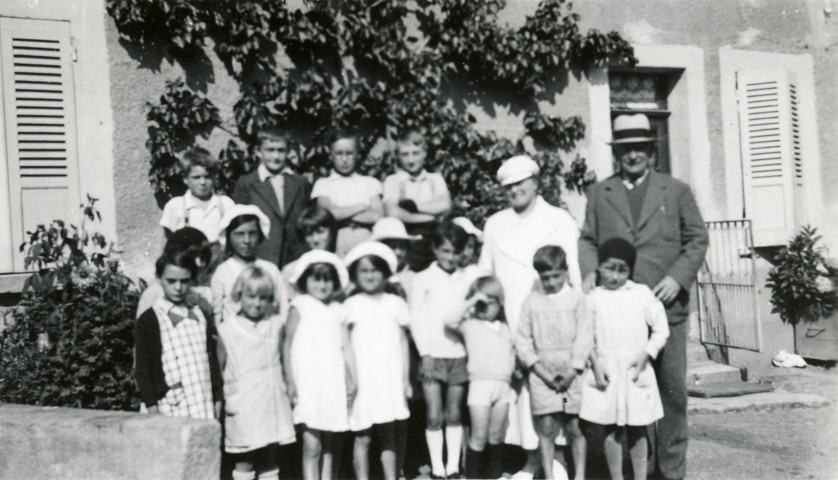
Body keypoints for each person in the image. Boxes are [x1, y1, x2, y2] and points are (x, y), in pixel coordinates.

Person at [579, 113, 708, 480]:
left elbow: (697, 238)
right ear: (616, 155)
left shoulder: (676, 191)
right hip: (616, 314)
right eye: (625, 149)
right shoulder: (600, 193)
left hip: (666, 306)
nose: (632, 155)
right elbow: (587, 240)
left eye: (639, 148)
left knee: (670, 392)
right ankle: (638, 471)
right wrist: (590, 271)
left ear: (651, 152)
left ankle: (671, 472)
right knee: (627, 394)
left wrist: (677, 278)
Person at [478, 155, 581, 478]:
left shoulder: (559, 220)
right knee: (524, 393)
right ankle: (532, 461)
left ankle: (558, 461)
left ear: (535, 182)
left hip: (554, 322)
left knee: (555, 388)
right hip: (512, 321)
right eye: (508, 186)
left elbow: (574, 274)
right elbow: (485, 276)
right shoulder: (495, 224)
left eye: (521, 183)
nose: (515, 190)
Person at [574, 237, 670, 480]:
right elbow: (584, 336)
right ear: (599, 266)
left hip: (635, 371)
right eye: (609, 269)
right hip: (606, 370)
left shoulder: (641, 294)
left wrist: (647, 353)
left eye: (622, 270)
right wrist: (595, 363)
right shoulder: (593, 297)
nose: (615, 277)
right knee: (612, 428)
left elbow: (661, 330)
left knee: (638, 428)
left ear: (630, 270)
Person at [410, 221, 480, 479]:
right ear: (435, 249)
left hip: (459, 355)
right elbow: (417, 319)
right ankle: (437, 468)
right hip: (432, 355)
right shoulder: (423, 279)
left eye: (455, 252)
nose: (450, 257)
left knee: (454, 413)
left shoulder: (468, 277)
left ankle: (452, 468)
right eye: (445, 251)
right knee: (434, 415)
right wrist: (425, 354)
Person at [217, 266, 296, 480]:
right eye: (251, 296)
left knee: (269, 457)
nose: (257, 303)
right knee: (246, 459)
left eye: (263, 298)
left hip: (271, 403)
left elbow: (282, 358)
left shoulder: (274, 325)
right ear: (239, 294)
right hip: (244, 405)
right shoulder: (227, 329)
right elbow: (220, 370)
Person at [516, 246, 586, 480]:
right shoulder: (532, 302)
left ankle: (579, 476)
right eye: (545, 277)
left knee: (574, 427)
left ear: (565, 271)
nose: (552, 282)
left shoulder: (576, 299)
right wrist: (540, 371)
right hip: (543, 376)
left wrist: (573, 369)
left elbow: (584, 336)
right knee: (546, 428)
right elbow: (523, 340)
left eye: (556, 276)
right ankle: (549, 476)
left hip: (571, 376)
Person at [343, 242, 412, 480]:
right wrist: (350, 379)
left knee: (389, 435)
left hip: (388, 379)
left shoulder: (395, 303)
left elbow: (403, 343)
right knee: (362, 437)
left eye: (375, 270)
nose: (370, 276)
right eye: (364, 271)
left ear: (385, 273)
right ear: (355, 275)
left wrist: (405, 379)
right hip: (363, 380)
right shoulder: (351, 305)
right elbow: (345, 346)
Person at [282, 250, 354, 480]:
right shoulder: (300, 305)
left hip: (332, 383)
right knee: (312, 445)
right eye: (316, 279)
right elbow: (287, 344)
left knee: (330, 443)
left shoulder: (338, 310)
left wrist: (352, 378)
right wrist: (290, 380)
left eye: (328, 279)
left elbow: (346, 347)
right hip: (308, 383)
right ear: (305, 280)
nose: (322, 285)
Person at [134, 248, 222, 420]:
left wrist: (218, 398)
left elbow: (212, 360)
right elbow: (143, 369)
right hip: (169, 406)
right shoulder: (150, 319)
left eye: (184, 281)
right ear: (159, 279)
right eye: (171, 281)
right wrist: (152, 409)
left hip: (202, 401)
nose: (178, 287)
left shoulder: (200, 314)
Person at [444, 276, 515, 480]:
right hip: (480, 385)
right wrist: (473, 300)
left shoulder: (506, 327)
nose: (485, 307)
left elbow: (512, 351)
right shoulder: (470, 325)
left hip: (503, 386)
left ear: (500, 302)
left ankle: (495, 475)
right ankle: (472, 476)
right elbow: (449, 319)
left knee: (496, 435)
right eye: (481, 303)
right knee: (479, 436)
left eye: (490, 302)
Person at [234, 127, 312, 268]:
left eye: (281, 150)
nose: (276, 156)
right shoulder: (247, 183)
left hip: (297, 256)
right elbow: (241, 223)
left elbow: (308, 217)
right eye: (270, 150)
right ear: (258, 151)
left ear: (288, 152)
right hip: (263, 255)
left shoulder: (300, 182)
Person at [383, 130, 452, 271]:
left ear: (424, 153)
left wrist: (412, 207)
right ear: (398, 156)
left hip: (433, 240)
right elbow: (393, 212)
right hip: (408, 241)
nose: (411, 160)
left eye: (415, 153)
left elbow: (445, 205)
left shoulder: (435, 179)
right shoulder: (393, 181)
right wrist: (430, 216)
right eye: (405, 154)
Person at [311, 130, 384, 257]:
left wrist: (340, 213)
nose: (344, 159)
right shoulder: (323, 184)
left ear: (357, 154)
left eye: (349, 153)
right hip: (337, 243)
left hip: (367, 241)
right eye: (339, 153)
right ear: (331, 155)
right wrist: (361, 207)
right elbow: (326, 215)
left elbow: (377, 217)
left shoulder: (371, 183)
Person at [211, 205, 289, 322]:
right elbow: (217, 314)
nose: (247, 240)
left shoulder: (271, 269)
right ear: (228, 236)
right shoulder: (222, 272)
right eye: (239, 234)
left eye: (252, 233)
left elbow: (283, 307)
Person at [159, 147, 235, 244]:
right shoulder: (175, 206)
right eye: (196, 177)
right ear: (185, 179)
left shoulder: (225, 204)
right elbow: (166, 243)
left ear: (214, 177)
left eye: (207, 177)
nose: (202, 182)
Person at [136, 227, 214, 321]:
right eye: (193, 257)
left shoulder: (206, 292)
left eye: (203, 257)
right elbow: (143, 326)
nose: (199, 263)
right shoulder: (153, 294)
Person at [280, 204, 338, 295]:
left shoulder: (340, 266)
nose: (315, 239)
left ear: (331, 232)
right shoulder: (290, 270)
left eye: (320, 231)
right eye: (309, 234)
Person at [369, 217, 421, 298]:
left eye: (402, 247)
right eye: (392, 247)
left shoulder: (413, 278)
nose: (398, 252)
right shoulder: (370, 278)